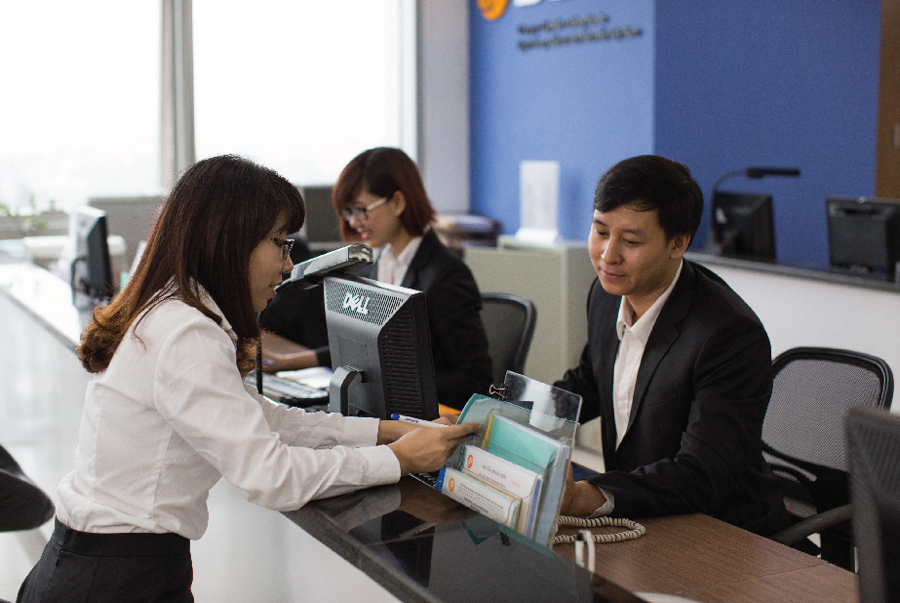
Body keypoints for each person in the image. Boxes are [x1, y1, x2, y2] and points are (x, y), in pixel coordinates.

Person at [16, 155, 479, 603]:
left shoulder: (176, 311)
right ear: (231, 241)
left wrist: (384, 432)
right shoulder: (187, 334)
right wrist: (398, 459)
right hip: (116, 579)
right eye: (280, 243)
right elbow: (271, 476)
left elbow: (263, 419)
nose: (287, 265)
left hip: (103, 566)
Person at [556, 154, 789, 536]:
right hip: (644, 515)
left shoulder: (728, 334)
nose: (608, 255)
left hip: (724, 531)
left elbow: (702, 474)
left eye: (631, 241)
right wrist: (496, 419)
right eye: (600, 232)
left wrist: (585, 496)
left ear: (678, 243)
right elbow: (586, 384)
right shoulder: (605, 295)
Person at [260, 147, 493, 410]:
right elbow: (365, 350)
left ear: (398, 202)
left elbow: (475, 381)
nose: (354, 222)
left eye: (361, 210)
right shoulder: (375, 263)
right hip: (380, 407)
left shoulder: (445, 276)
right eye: (348, 212)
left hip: (426, 414)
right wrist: (285, 363)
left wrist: (388, 385)